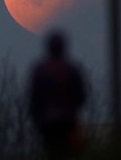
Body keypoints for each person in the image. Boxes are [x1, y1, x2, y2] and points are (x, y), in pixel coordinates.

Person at [28, 30, 86, 159]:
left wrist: (36, 117)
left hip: (48, 122)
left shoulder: (40, 71)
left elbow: (34, 98)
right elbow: (80, 97)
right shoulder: (72, 70)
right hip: (67, 121)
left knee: (51, 152)